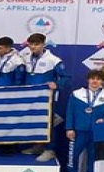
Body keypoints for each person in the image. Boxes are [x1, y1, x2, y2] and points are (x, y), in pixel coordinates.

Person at [21, 33, 69, 162]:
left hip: (45, 98)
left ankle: (50, 150)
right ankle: (38, 146)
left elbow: (66, 77)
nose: (33, 47)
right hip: (29, 97)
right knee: (33, 122)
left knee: (48, 123)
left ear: (43, 44)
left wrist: (57, 84)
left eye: (36, 44)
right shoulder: (25, 57)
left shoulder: (53, 60)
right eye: (31, 44)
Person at [65, 69, 104, 172]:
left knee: (94, 156)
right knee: (73, 155)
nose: (95, 81)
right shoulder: (77, 94)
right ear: (88, 79)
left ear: (102, 81)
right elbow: (70, 112)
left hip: (96, 131)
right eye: (92, 78)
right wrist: (69, 128)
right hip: (78, 130)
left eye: (98, 79)